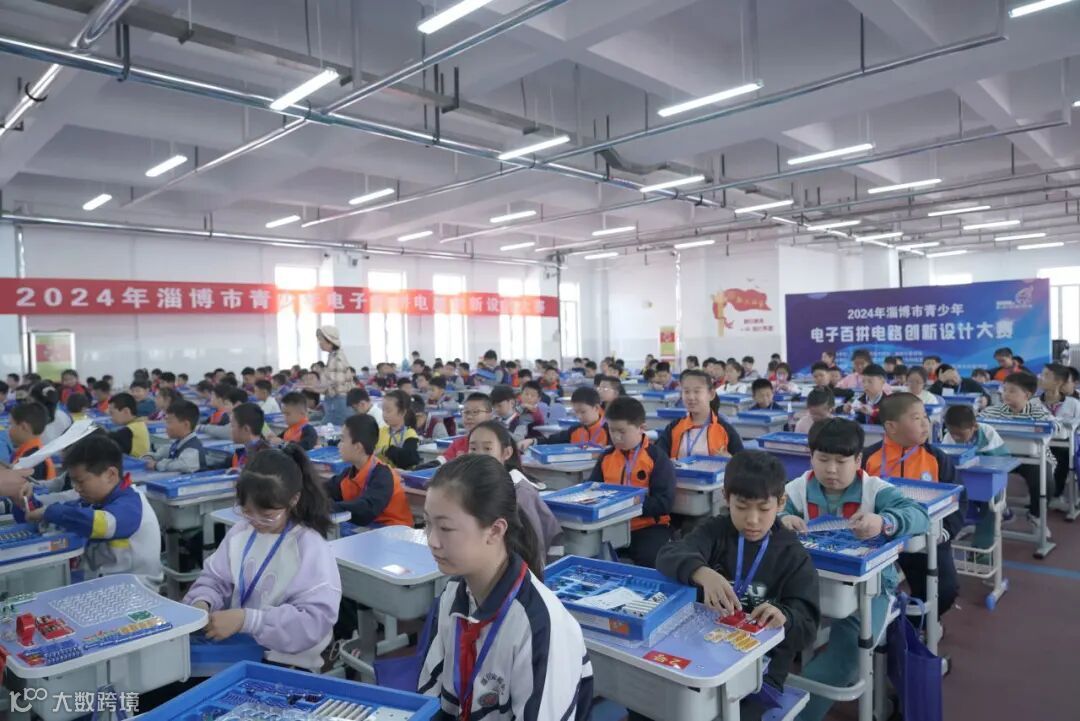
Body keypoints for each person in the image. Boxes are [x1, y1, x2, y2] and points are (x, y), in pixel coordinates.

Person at [418, 454, 593, 721]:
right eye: (427, 523)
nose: (432, 540)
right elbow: (431, 700)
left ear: (495, 530)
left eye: (445, 528)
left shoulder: (539, 624)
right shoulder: (453, 594)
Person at [781, 419, 928, 721]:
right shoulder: (797, 489)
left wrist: (884, 521)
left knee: (847, 657)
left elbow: (919, 515)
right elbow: (768, 511)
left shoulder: (875, 491)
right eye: (823, 459)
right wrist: (780, 519)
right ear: (811, 457)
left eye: (841, 461)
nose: (831, 469)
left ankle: (794, 714)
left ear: (858, 460)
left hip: (869, 590)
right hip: (807, 585)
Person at [657, 451, 820, 721]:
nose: (752, 519)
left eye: (763, 509)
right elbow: (668, 555)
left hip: (760, 674)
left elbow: (807, 627)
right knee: (655, 706)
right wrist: (701, 571)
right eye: (741, 507)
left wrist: (786, 617)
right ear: (726, 497)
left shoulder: (793, 555)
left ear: (781, 503)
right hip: (702, 653)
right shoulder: (715, 531)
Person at [184, 447, 341, 672]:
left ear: (293, 500)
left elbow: (313, 622)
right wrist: (202, 602)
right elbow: (215, 579)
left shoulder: (309, 546)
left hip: (288, 662)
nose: (256, 521)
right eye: (247, 511)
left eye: (268, 515)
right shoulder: (240, 533)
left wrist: (248, 620)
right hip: (237, 652)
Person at [11, 435, 163, 590]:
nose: (76, 488)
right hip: (105, 581)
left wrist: (49, 512)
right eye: (73, 481)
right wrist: (27, 502)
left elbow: (96, 523)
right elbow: (64, 510)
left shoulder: (131, 505)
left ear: (110, 475)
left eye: (81, 481)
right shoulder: (95, 500)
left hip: (136, 589)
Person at [863, 394, 962, 616]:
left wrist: (945, 533)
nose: (926, 423)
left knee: (944, 591)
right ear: (891, 426)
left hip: (926, 539)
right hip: (879, 540)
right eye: (917, 418)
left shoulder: (937, 458)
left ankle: (916, 625)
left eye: (925, 416)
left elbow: (958, 499)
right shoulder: (869, 458)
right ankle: (886, 624)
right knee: (870, 593)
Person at [588, 396, 675, 567]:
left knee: (654, 561)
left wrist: (632, 504)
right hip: (611, 525)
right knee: (591, 557)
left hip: (647, 526)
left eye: (622, 431)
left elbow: (664, 503)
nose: (616, 437)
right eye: (612, 430)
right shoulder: (606, 457)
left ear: (641, 428)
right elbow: (592, 491)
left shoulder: (657, 458)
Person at [468, 421, 561, 557]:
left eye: (487, 448)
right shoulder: (471, 484)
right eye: (473, 449)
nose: (479, 455)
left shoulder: (520, 493)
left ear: (506, 453)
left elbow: (534, 547)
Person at [980, 372, 1058, 525]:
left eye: (1012, 391)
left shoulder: (1038, 412)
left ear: (1027, 395)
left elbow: (1055, 426)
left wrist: (1045, 428)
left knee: (1044, 477)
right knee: (980, 472)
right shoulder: (991, 411)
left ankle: (1036, 515)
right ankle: (999, 509)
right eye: (1005, 390)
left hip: (1033, 458)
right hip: (999, 457)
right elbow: (978, 426)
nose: (1006, 394)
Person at [941, 404, 1008, 549]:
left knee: (990, 506)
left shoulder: (988, 433)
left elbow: (1002, 461)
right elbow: (947, 462)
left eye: (960, 434)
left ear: (974, 427)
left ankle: (982, 548)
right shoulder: (948, 436)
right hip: (962, 483)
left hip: (988, 483)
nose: (955, 437)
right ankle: (955, 531)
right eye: (952, 433)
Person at [328, 413, 412, 528]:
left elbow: (366, 508)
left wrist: (328, 507)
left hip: (396, 531)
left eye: (342, 439)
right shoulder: (348, 474)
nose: (338, 445)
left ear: (358, 447)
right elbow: (324, 490)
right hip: (370, 529)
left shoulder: (383, 476)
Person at [656, 370, 744, 459]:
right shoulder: (673, 428)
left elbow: (742, 463)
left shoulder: (725, 430)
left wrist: (730, 460)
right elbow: (658, 458)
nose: (691, 397)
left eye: (697, 391)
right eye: (686, 391)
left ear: (711, 394)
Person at [1039, 364, 1080, 511]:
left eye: (1046, 376)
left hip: (1066, 443)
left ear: (1058, 382)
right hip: (1040, 443)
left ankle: (1056, 494)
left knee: (1063, 455)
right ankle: (1041, 496)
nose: (1040, 378)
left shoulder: (1074, 403)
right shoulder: (1033, 402)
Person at [520, 386, 610, 450]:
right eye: (576, 412)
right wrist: (532, 441)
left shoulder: (609, 431)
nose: (579, 416)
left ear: (596, 408)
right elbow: (550, 440)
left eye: (583, 412)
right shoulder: (574, 430)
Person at [144, 400, 207, 473]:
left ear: (186, 425)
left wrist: (157, 465)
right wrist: (149, 457)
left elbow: (183, 466)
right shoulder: (177, 444)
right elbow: (159, 454)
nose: (166, 426)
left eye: (169, 422)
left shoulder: (193, 448)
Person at [434, 392, 492, 465]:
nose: (469, 417)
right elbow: (443, 459)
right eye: (466, 412)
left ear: (489, 415)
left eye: (475, 412)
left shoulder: (498, 441)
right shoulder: (458, 444)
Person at [312, 325, 352, 426]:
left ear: (330, 341)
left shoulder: (337, 358)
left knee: (335, 431)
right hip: (336, 402)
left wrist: (316, 388)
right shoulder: (332, 356)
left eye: (321, 340)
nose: (319, 343)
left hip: (339, 403)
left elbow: (336, 388)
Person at [7, 402, 56, 482]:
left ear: (23, 427)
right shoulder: (34, 452)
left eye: (10, 424)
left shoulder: (31, 461)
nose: (8, 429)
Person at [377, 389, 421, 469]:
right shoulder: (380, 431)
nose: (384, 414)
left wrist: (385, 450)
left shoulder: (410, 434)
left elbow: (408, 459)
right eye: (383, 410)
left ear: (402, 412)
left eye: (388, 411)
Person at [107, 392, 151, 459]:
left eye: (112, 413)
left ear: (126, 411)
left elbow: (110, 438)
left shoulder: (130, 430)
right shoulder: (139, 424)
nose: (110, 417)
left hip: (136, 464)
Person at [229, 403, 271, 470]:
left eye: (232, 426)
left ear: (246, 429)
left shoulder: (262, 459)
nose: (230, 429)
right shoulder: (243, 452)